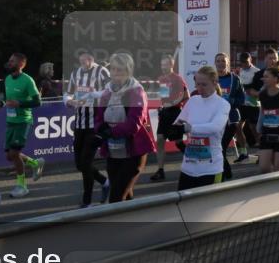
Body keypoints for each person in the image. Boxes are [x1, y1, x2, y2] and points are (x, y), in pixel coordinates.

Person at [94, 53, 156, 202]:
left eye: (120, 70)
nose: (116, 74)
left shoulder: (137, 92)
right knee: (125, 195)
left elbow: (133, 124)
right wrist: (100, 128)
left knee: (115, 198)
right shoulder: (107, 91)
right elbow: (98, 116)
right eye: (113, 69)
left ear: (128, 71)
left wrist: (110, 131)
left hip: (133, 152)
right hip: (113, 151)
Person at [0, 53, 45, 198]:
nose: (9, 63)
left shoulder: (28, 80)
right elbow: (6, 98)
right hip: (11, 121)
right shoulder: (8, 79)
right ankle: (34, 163)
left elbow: (38, 102)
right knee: (10, 156)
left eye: (12, 61)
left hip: (23, 121)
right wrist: (1, 103)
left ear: (21, 64)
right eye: (9, 60)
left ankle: (22, 186)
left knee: (14, 154)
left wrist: (20, 103)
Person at [169, 65, 230, 189]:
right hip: (188, 167)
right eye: (197, 84)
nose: (199, 88)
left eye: (204, 85)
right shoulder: (193, 101)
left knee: (207, 207)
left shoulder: (222, 104)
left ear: (214, 83)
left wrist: (189, 128)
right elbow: (178, 123)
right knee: (184, 206)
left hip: (211, 168)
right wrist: (174, 131)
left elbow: (215, 127)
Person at [65, 52, 111, 205]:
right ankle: (105, 182)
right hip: (79, 124)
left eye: (88, 58)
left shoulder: (101, 71)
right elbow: (68, 93)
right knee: (80, 165)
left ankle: (87, 202)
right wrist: (70, 102)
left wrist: (93, 94)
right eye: (82, 58)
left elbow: (109, 91)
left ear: (93, 58)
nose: (85, 61)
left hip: (95, 124)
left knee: (85, 163)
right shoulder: (75, 73)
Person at [150, 55, 189, 183]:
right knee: (160, 140)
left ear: (171, 65)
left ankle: (193, 159)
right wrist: (163, 106)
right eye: (162, 65)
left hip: (175, 113)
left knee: (178, 142)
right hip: (165, 113)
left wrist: (173, 104)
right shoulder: (162, 78)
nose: (163, 67)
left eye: (165, 65)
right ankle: (160, 171)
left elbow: (186, 96)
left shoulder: (177, 78)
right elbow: (165, 96)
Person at [214, 52, 245, 179]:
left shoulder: (235, 79)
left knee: (221, 147)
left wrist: (232, 102)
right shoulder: (211, 78)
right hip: (215, 119)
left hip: (230, 120)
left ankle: (224, 174)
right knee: (218, 148)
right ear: (215, 63)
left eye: (223, 61)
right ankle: (225, 173)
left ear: (228, 63)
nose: (221, 63)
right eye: (218, 61)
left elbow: (242, 98)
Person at [236, 52, 261, 155]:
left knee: (254, 128)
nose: (244, 64)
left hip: (254, 104)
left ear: (250, 60)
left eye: (246, 62)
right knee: (237, 126)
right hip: (242, 103)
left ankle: (262, 149)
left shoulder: (257, 71)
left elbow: (260, 89)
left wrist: (251, 90)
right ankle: (243, 151)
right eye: (242, 63)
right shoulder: (240, 71)